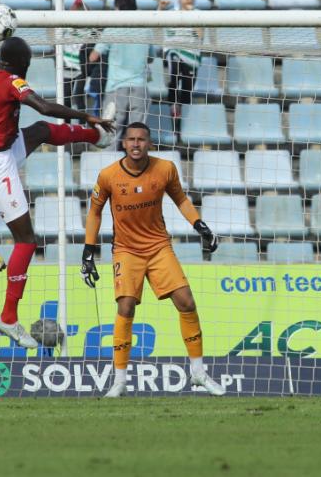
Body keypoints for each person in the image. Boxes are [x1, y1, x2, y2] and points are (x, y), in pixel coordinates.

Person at [0, 37, 114, 347]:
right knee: (26, 240)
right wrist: (85, 113)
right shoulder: (12, 80)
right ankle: (8, 318)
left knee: (41, 131)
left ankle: (97, 136)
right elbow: (45, 106)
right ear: (25, 64)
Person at [80, 121, 224, 397]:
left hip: (158, 247)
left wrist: (200, 226)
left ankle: (198, 373)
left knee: (186, 302)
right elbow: (95, 212)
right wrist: (88, 251)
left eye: (142, 139)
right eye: (131, 139)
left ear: (150, 143)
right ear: (123, 144)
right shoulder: (108, 176)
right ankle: (120, 380)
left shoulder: (165, 169)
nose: (136, 144)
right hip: (126, 250)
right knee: (126, 307)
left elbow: (181, 199)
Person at [90, 0, 150, 145]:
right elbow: (151, 56)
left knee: (111, 136)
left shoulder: (112, 29)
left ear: (117, 8)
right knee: (137, 137)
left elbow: (93, 57)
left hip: (116, 87)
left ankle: (112, 168)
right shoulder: (146, 28)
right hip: (139, 87)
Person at [158, 0, 204, 120]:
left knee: (187, 88)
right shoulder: (171, 13)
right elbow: (157, 21)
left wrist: (191, 15)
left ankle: (183, 117)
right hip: (174, 52)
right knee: (174, 70)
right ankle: (173, 106)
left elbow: (200, 35)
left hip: (192, 56)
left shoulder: (198, 14)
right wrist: (160, 7)